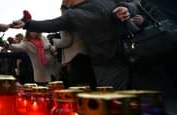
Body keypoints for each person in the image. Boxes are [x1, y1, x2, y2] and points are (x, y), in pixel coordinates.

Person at [11, 0, 139, 90]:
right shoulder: (72, 15)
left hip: (139, 54)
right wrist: (27, 24)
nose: (64, 2)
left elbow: (135, 3)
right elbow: (52, 24)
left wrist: (126, 8)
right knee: (114, 104)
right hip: (106, 63)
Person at [50, 1, 97, 89]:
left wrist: (54, 42)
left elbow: (66, 41)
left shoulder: (65, 20)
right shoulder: (82, 17)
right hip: (86, 54)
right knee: (89, 84)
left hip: (75, 58)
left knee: (78, 87)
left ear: (63, 9)